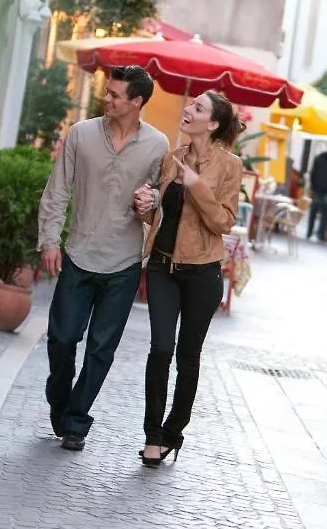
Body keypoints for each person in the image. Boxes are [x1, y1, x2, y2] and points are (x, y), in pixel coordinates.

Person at [38, 65, 169, 451]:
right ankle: (60, 402)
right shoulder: (81, 134)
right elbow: (57, 189)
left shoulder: (157, 145)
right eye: (107, 92)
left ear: (136, 102)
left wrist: (152, 201)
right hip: (79, 253)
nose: (106, 99)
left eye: (114, 94)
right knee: (62, 339)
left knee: (100, 349)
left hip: (124, 262)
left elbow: (159, 200)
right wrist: (49, 239)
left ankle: (76, 422)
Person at [133, 90, 243, 467]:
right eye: (190, 104)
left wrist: (196, 184)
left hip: (203, 275)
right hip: (163, 267)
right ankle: (151, 434)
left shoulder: (230, 166)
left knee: (187, 356)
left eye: (198, 108)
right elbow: (160, 216)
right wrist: (145, 207)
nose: (188, 110)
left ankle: (173, 431)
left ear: (212, 124)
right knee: (161, 348)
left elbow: (224, 222)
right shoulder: (171, 158)